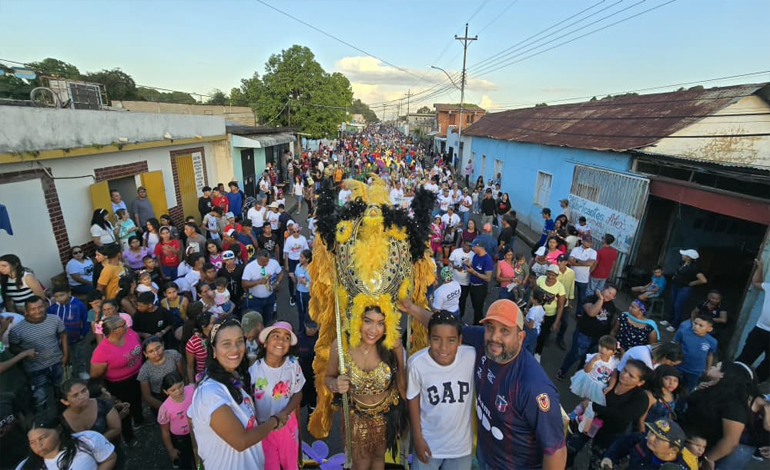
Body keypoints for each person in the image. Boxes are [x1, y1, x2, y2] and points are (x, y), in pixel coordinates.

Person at [399, 299, 567, 469]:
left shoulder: (533, 386)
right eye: (490, 327)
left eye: (505, 331)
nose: (495, 337)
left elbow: (556, 451)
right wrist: (412, 309)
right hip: (484, 456)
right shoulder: (483, 342)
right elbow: (445, 327)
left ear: (521, 337)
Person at [187, 318, 280, 470]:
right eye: (226, 344)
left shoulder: (233, 377)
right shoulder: (210, 393)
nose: (235, 349)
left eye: (239, 341)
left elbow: (191, 416)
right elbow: (241, 442)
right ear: (214, 351)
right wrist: (274, 421)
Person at [324, 306, 407, 470]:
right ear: (356, 319)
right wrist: (335, 384)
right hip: (357, 417)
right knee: (361, 464)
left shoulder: (391, 345)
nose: (373, 330)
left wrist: (398, 350)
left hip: (386, 417)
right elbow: (328, 377)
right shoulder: (341, 345)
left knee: (378, 459)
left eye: (380, 323)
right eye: (368, 321)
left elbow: (402, 386)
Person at [407, 312, 475, 470]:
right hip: (429, 444)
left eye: (451, 340)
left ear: (460, 341)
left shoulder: (470, 356)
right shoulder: (417, 364)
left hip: (461, 448)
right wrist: (417, 438)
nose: (443, 348)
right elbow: (413, 399)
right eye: (436, 339)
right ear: (429, 338)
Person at [566, 359, 652, 469]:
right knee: (570, 448)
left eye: (631, 376)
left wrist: (593, 406)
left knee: (597, 463)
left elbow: (622, 416)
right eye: (625, 370)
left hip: (609, 433)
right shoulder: (610, 379)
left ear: (640, 382)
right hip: (589, 421)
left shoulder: (641, 399)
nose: (624, 375)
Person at [249, 322, 305, 470]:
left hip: (287, 426)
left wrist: (285, 413)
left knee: (291, 464)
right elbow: (248, 402)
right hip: (264, 429)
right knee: (270, 466)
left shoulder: (293, 365)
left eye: (286, 338)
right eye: (276, 336)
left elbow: (298, 392)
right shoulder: (254, 371)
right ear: (266, 343)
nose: (281, 341)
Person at [681, 361, 756, 469]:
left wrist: (707, 459)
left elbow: (731, 441)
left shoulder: (734, 406)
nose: (712, 366)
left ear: (725, 374)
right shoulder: (709, 389)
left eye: (717, 366)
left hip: (696, 451)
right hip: (682, 437)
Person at [90, 315, 144, 444]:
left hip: (138, 376)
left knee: (137, 400)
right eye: (123, 325)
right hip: (119, 384)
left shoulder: (130, 334)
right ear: (113, 331)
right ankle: (129, 436)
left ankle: (139, 420)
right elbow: (95, 375)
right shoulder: (101, 352)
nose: (127, 327)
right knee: (124, 409)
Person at [9, 296, 68, 412]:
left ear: (45, 305)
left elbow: (63, 335)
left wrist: (66, 355)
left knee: (62, 391)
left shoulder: (55, 319)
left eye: (40, 307)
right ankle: (43, 421)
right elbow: (13, 348)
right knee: (40, 397)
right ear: (26, 311)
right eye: (33, 309)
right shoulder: (17, 330)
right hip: (35, 369)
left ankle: (63, 415)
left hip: (56, 363)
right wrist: (24, 352)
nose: (38, 311)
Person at [556, 285, 617, 381]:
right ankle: (563, 370)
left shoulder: (612, 307)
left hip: (598, 339)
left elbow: (610, 322)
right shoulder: (590, 298)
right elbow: (592, 312)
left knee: (587, 358)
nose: (610, 296)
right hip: (584, 334)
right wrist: (601, 299)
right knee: (575, 354)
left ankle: (578, 375)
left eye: (612, 295)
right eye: (609, 292)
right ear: (603, 290)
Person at [17, 413, 117, 470]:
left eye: (42, 438)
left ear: (59, 429)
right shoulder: (25, 467)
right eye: (32, 442)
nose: (38, 445)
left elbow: (110, 458)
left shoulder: (88, 439)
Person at [601, 419, 692, 470]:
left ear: (673, 450)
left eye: (659, 438)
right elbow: (622, 444)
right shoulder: (642, 441)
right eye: (651, 432)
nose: (651, 438)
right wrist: (610, 457)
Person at [736, 258, 770, 383]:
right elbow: (756, 282)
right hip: (761, 329)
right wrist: (760, 267)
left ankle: (753, 384)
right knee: (746, 356)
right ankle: (732, 378)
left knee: (768, 365)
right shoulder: (769, 287)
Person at [47, 285, 90, 379]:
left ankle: (81, 371)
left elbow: (87, 320)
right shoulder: (52, 309)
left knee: (79, 355)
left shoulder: (79, 305)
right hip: (60, 340)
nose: (59, 298)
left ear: (69, 293)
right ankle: (68, 372)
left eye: (62, 295)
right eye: (57, 297)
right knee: (63, 357)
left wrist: (83, 334)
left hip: (77, 338)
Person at [661, 249, 708, 332]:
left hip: (684, 289)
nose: (682, 256)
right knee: (672, 303)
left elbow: (703, 280)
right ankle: (668, 320)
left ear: (689, 258)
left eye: (684, 255)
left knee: (678, 305)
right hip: (675, 286)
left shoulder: (694, 268)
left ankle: (674, 325)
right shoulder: (682, 263)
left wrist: (691, 283)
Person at [568, 334, 619, 406]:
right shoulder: (594, 357)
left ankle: (582, 412)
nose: (603, 350)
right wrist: (592, 361)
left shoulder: (614, 362)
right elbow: (586, 370)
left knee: (593, 404)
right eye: (601, 346)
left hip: (601, 386)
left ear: (614, 352)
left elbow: (614, 375)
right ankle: (578, 412)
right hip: (589, 381)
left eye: (607, 349)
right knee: (586, 400)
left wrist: (610, 386)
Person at [138, 337, 184, 411]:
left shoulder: (173, 355)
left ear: (163, 345)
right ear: (145, 354)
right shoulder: (144, 371)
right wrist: (166, 409)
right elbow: (147, 397)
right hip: (159, 399)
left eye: (158, 348)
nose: (156, 353)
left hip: (179, 390)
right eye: (151, 351)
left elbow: (183, 376)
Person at [674, 313, 717, 391]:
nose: (696, 326)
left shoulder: (712, 342)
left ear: (709, 329)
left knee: (687, 391)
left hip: (695, 371)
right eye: (695, 323)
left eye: (701, 326)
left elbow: (710, 355)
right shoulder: (683, 333)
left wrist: (708, 368)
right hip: (679, 366)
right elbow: (675, 345)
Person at [534, 265, 567, 362]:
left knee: (542, 335)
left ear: (557, 276)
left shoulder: (560, 287)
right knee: (531, 331)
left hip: (549, 315)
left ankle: (537, 353)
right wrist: (528, 308)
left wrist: (556, 322)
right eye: (549, 274)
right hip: (536, 311)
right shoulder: (540, 279)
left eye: (553, 275)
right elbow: (534, 294)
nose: (550, 277)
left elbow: (561, 306)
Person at [242, 250, 283, 325]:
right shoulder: (249, 267)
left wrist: (277, 283)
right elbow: (244, 284)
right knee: (257, 322)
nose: (266, 263)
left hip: (270, 297)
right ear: (258, 258)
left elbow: (280, 273)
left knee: (269, 319)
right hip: (255, 300)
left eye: (267, 261)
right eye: (263, 261)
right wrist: (258, 282)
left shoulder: (274, 263)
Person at [465, 239, 494, 325]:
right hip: (472, 286)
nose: (472, 249)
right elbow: (475, 266)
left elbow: (488, 278)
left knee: (478, 308)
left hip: (480, 288)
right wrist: (469, 264)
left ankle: (477, 325)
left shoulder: (487, 260)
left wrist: (473, 272)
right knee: (475, 307)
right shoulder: (475, 256)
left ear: (481, 247)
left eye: (474, 247)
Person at [283, 225, 308, 308]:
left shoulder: (303, 239)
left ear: (300, 231)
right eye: (294, 232)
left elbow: (306, 251)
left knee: (301, 277)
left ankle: (300, 292)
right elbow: (286, 253)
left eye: (297, 231)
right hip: (292, 260)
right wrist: (286, 265)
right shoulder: (289, 240)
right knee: (291, 278)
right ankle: (292, 295)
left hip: (300, 260)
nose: (296, 233)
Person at [185, 311, 214, 383]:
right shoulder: (192, 343)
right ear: (203, 326)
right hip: (203, 378)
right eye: (213, 323)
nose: (216, 325)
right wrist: (192, 385)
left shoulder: (219, 336)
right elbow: (190, 366)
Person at [619, 341, 684, 373]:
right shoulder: (641, 355)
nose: (670, 366)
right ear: (665, 356)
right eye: (671, 363)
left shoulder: (658, 362)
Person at [448, 241, 474, 320]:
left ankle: (460, 317)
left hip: (466, 282)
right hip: (455, 280)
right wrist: (455, 268)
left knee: (462, 301)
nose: (467, 247)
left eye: (469, 246)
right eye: (466, 245)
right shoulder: (456, 252)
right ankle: (451, 316)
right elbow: (450, 262)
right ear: (463, 245)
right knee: (453, 299)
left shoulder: (473, 254)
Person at [290, 249, 312, 332]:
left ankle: (311, 329)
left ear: (307, 259)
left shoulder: (312, 269)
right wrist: (293, 278)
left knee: (310, 312)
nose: (300, 259)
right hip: (299, 292)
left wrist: (306, 284)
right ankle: (301, 329)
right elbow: (296, 279)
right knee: (301, 312)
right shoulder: (298, 266)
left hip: (309, 293)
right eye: (300, 257)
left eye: (302, 257)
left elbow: (314, 284)